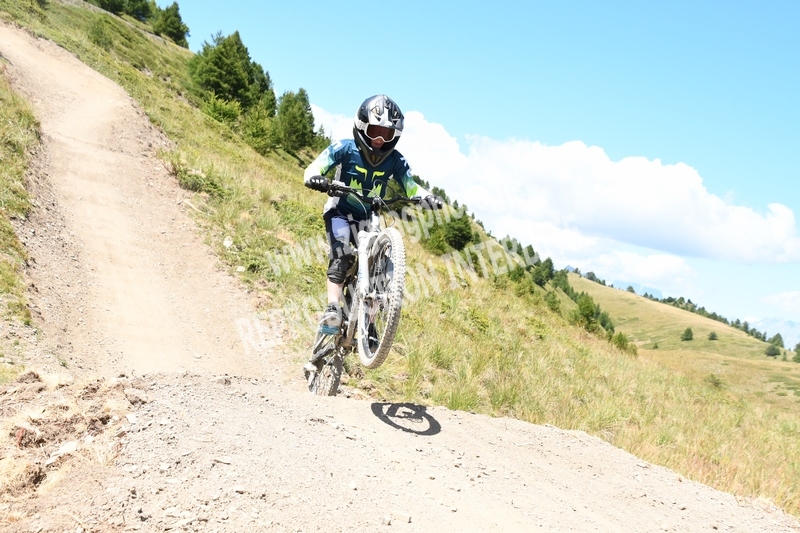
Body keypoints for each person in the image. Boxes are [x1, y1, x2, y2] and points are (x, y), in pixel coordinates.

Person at [303, 94, 441, 335]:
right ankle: (332, 309)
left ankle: (369, 324)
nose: (380, 139)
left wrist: (426, 196)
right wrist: (315, 178)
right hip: (340, 212)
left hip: (369, 219)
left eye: (387, 134)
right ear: (362, 126)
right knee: (341, 254)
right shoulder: (345, 148)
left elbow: (411, 186)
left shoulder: (396, 160)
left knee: (379, 270)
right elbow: (316, 166)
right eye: (375, 131)